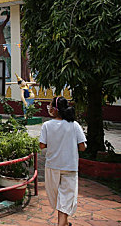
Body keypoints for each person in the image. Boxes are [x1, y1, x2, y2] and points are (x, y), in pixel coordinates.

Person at [39, 96, 86, 226]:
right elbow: (82, 147)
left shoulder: (47, 126)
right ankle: (64, 224)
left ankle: (61, 224)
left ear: (54, 109)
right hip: (70, 166)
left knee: (56, 198)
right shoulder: (74, 125)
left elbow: (42, 145)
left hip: (52, 166)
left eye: (49, 106)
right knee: (65, 198)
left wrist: (55, 144)